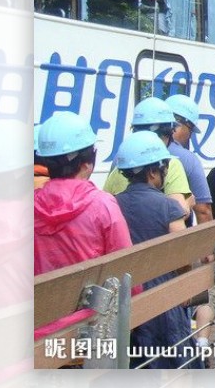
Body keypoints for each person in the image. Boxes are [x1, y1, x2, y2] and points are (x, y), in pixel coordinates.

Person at [34, 112, 133, 341]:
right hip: (90, 328)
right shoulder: (102, 204)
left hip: (37, 331)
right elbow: (126, 269)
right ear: (89, 161)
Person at [112, 130, 197, 368]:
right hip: (164, 296)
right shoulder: (168, 206)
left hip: (127, 296)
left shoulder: (113, 203)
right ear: (153, 171)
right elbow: (182, 253)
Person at [104, 97, 195, 216]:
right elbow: (180, 212)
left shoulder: (119, 166)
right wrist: (188, 203)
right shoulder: (171, 164)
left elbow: (105, 209)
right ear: (168, 133)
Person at [165, 94, 213, 224]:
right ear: (183, 124)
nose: (190, 136)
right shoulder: (188, 158)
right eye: (191, 130)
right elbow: (203, 211)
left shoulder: (125, 153)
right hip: (173, 239)